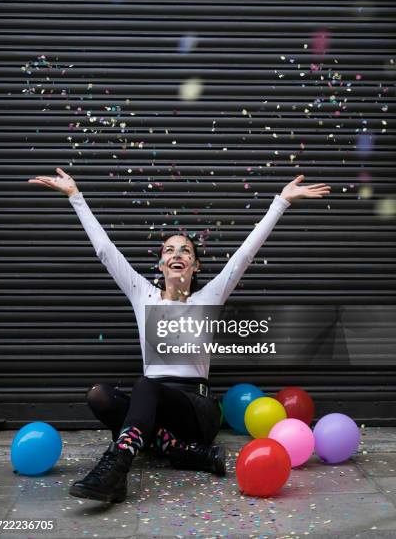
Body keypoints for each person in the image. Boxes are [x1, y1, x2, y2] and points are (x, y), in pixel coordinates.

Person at [28, 168, 330, 502]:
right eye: (169, 250)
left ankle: (116, 471)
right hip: (155, 406)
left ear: (195, 266)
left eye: (185, 251)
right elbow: (105, 251)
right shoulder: (143, 295)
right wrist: (76, 197)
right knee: (100, 395)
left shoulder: (208, 298)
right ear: (160, 264)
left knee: (145, 386)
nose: (176, 255)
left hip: (196, 410)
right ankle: (186, 453)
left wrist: (281, 202)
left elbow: (244, 255)